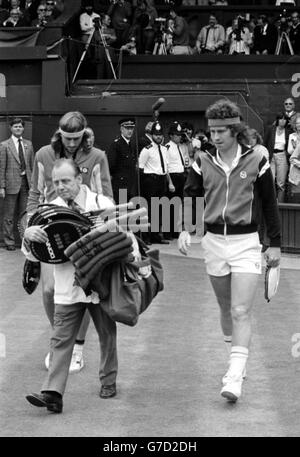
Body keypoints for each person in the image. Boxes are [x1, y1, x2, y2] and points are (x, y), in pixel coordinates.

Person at [178, 99, 281, 403]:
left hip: (247, 242)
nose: (216, 136)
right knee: (226, 309)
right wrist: (185, 228)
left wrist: (274, 243)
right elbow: (191, 194)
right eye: (213, 131)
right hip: (213, 243)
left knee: (240, 310)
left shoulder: (257, 160)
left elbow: (270, 203)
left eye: (222, 130)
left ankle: (234, 375)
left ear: (235, 130)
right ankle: (234, 356)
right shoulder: (201, 160)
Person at [24, 159, 118, 413]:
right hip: (67, 286)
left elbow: (122, 238)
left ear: (79, 179)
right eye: (56, 182)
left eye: (66, 181)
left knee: (107, 335)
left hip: (100, 283)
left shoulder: (102, 204)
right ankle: (52, 393)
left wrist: (106, 228)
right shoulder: (46, 211)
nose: (61, 187)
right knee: (60, 339)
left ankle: (108, 380)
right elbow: (34, 254)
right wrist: (29, 236)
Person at [26, 111, 113, 373]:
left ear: (84, 134)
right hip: (48, 234)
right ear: (59, 134)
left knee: (83, 293)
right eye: (67, 138)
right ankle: (60, 341)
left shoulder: (97, 156)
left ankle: (75, 347)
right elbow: (34, 192)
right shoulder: (43, 154)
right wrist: (30, 228)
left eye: (77, 138)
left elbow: (106, 192)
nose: (72, 143)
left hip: (85, 234)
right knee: (50, 291)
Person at [0, 117, 34, 251]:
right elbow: (1, 167)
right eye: (15, 126)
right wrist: (1, 186)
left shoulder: (29, 144)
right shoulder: (4, 145)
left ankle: (24, 242)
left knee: (24, 215)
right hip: (10, 185)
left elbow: (32, 165)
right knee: (8, 215)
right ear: (11, 128)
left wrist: (34, 184)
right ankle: (9, 242)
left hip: (26, 184)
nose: (18, 128)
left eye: (20, 126)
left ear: (23, 128)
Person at [139, 121, 171, 245]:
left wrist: (168, 182)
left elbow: (166, 167)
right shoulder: (146, 150)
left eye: (160, 134)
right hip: (150, 180)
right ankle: (146, 237)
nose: (158, 137)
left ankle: (156, 235)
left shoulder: (164, 149)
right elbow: (140, 168)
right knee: (149, 210)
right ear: (152, 135)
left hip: (161, 180)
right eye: (156, 134)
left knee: (159, 210)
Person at [106, 118, 137, 204]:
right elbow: (111, 165)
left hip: (130, 186)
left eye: (131, 128)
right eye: (127, 128)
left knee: (129, 212)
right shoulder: (116, 145)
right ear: (121, 129)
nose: (130, 131)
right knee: (122, 212)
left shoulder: (131, 144)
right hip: (120, 186)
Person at [165, 121, 187, 239]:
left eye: (180, 135)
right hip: (172, 177)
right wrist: (170, 182)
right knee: (169, 206)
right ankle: (168, 232)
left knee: (177, 205)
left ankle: (175, 231)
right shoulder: (167, 147)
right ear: (171, 136)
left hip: (180, 176)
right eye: (177, 135)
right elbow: (166, 167)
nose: (179, 137)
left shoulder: (179, 147)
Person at [264, 112, 290, 202]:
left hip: (282, 156)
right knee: (270, 181)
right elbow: (265, 143)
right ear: (277, 120)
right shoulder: (270, 129)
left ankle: (280, 205)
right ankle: (271, 204)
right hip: (271, 156)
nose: (282, 121)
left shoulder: (288, 132)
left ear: (286, 121)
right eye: (280, 119)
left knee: (281, 183)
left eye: (284, 119)